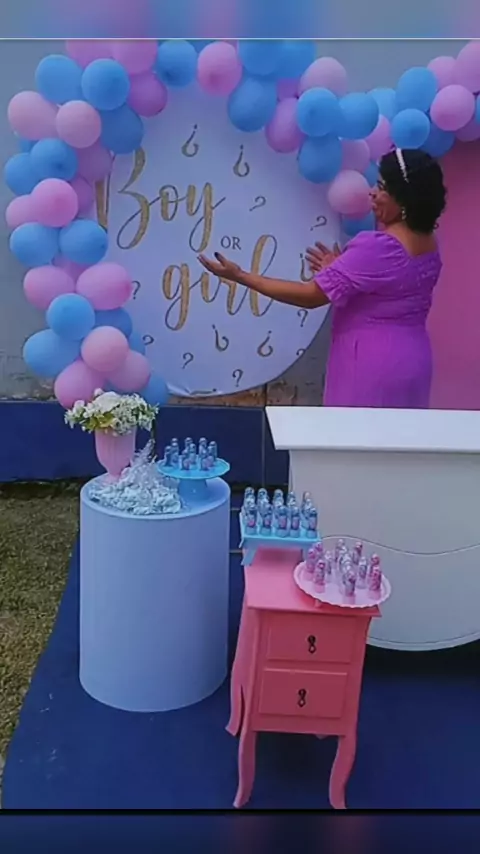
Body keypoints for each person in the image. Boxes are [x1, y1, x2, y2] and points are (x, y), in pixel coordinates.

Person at [198, 148, 447, 408]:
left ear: (404, 200)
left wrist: (241, 276)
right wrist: (344, 268)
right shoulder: (429, 242)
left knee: (358, 433)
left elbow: (311, 296)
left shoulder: (378, 247)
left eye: (382, 187)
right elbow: (390, 286)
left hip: (372, 362)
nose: (372, 192)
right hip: (413, 360)